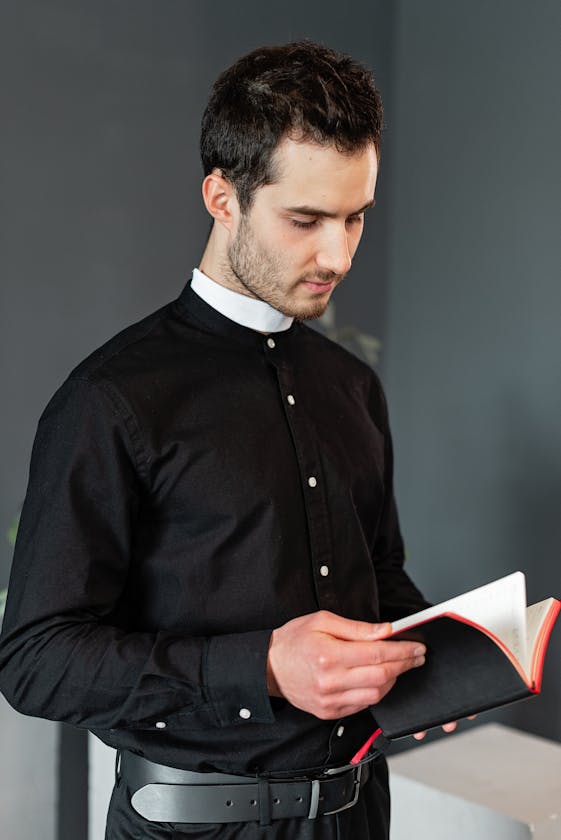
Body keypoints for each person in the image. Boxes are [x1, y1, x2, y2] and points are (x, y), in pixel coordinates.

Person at [0, 41, 439, 839]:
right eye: (304, 219)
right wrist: (263, 667)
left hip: (358, 815)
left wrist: (442, 662)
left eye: (354, 217)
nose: (336, 254)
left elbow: (379, 580)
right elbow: (37, 662)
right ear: (221, 197)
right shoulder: (110, 398)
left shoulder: (353, 388)